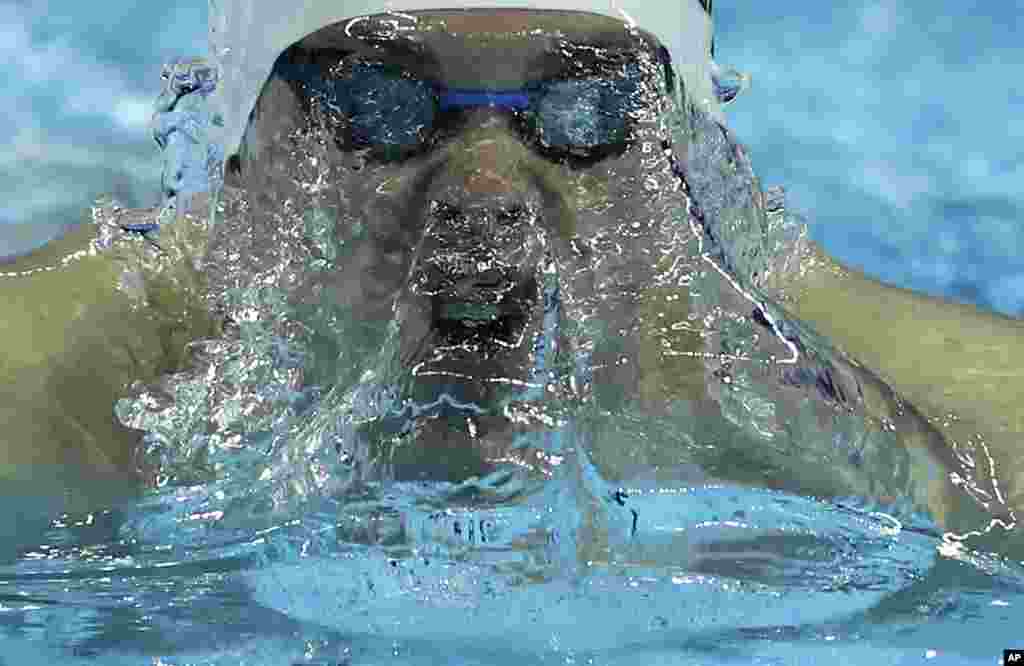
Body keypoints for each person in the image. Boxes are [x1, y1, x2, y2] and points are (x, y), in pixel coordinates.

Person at [0, 1, 1020, 555]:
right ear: (240, 150)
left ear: (678, 153)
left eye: (582, 113)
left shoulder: (801, 365)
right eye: (382, 103)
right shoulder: (75, 385)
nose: (489, 189)